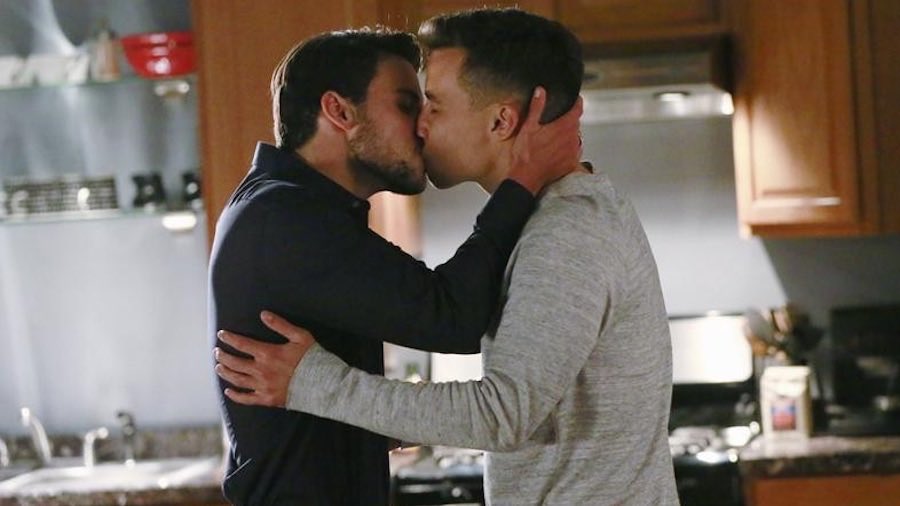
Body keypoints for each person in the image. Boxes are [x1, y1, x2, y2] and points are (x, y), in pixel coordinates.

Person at [215, 8, 679, 506]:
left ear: (501, 121)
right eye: (410, 105)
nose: (420, 126)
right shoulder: (285, 215)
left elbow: (501, 412)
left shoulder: (567, 231)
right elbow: (466, 339)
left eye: (432, 105)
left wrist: (318, 385)